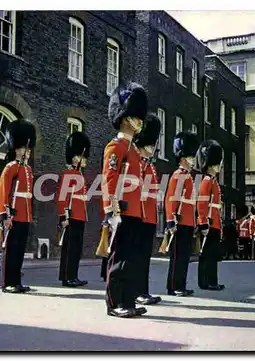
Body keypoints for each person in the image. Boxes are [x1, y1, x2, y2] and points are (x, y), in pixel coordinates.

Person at [103, 82, 147, 318]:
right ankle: (114, 302)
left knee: (130, 259)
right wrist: (111, 210)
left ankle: (127, 300)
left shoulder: (132, 151)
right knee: (119, 259)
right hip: (121, 212)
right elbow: (109, 179)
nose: (140, 121)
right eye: (135, 116)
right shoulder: (116, 146)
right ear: (124, 117)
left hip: (134, 212)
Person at [0, 118, 36, 294]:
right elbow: (3, 192)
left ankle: (17, 281)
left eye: (28, 149)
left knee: (19, 251)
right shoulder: (11, 167)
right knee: (10, 250)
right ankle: (7, 282)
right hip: (13, 215)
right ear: (15, 148)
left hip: (24, 215)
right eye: (22, 148)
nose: (25, 152)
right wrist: (5, 215)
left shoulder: (27, 170)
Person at [165, 131, 199, 297]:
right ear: (184, 157)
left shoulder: (188, 176)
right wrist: (171, 220)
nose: (193, 161)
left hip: (187, 221)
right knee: (177, 257)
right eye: (191, 157)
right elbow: (171, 199)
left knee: (184, 257)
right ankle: (173, 286)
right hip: (179, 221)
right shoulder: (178, 176)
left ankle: (181, 285)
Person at [133, 113, 162, 305]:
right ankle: (137, 291)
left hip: (149, 216)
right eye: (150, 144)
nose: (153, 148)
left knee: (145, 259)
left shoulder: (149, 166)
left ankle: (143, 290)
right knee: (138, 258)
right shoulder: (137, 163)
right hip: (140, 215)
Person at [57, 131, 90, 287]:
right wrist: (63, 216)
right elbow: (62, 197)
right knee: (69, 249)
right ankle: (67, 276)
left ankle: (73, 275)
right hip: (71, 216)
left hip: (80, 216)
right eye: (83, 157)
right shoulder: (68, 174)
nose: (85, 160)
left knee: (76, 249)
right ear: (75, 157)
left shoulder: (79, 175)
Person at [195, 139, 225, 291]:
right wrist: (203, 222)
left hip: (214, 222)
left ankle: (210, 281)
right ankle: (206, 281)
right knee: (207, 255)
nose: (220, 165)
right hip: (209, 223)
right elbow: (202, 204)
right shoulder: (207, 181)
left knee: (212, 255)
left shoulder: (212, 181)